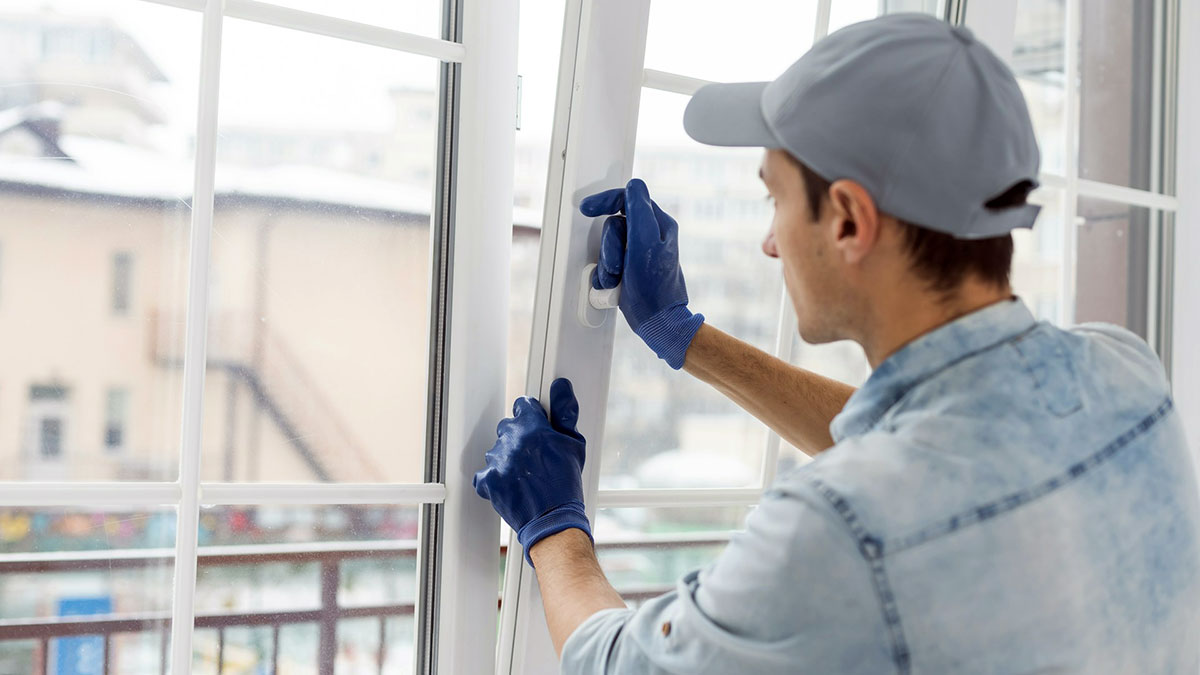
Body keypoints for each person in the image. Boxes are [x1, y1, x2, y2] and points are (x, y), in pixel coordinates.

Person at [472, 13, 1200, 674]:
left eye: (774, 198)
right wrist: (685, 337)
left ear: (849, 219)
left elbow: (620, 666)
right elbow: (924, 438)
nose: (768, 241)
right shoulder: (1124, 375)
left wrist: (554, 528)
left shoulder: (832, 533)